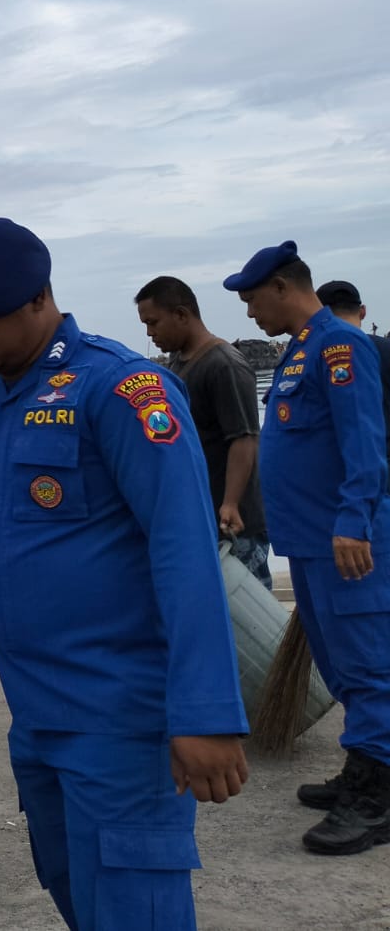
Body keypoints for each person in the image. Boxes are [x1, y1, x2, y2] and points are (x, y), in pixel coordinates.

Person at [0, 218, 248, 931]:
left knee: (135, 904)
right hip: (36, 718)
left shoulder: (122, 390)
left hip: (123, 720)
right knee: (72, 890)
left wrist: (207, 712)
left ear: (39, 297)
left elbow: (183, 551)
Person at [227, 244, 390, 854]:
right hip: (311, 544)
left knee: (370, 664)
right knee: (343, 663)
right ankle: (368, 766)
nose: (249, 315)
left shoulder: (341, 347)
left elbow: (364, 442)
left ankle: (377, 800)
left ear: (281, 287)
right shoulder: (301, 350)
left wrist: (354, 521)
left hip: (348, 542)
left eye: (251, 300)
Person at [134, 274, 271, 588]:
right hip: (202, 517)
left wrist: (231, 502)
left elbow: (245, 438)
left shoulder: (225, 365)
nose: (149, 332)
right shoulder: (177, 365)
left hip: (236, 525)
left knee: (252, 623)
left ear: (182, 314)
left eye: (153, 322)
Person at [317, 279, 390, 464]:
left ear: (319, 314)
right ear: (363, 311)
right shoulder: (385, 348)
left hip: (344, 467)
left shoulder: (313, 356)